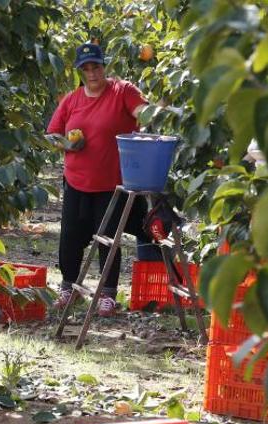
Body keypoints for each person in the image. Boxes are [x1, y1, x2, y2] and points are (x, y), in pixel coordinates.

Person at [45, 42, 154, 317]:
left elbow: (144, 113)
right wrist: (67, 146)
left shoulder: (122, 91)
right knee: (70, 236)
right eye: (86, 68)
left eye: (96, 66)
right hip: (77, 180)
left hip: (112, 183)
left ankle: (107, 295)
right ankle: (68, 288)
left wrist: (155, 113)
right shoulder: (72, 100)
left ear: (104, 66)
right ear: (80, 71)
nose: (92, 72)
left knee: (107, 238)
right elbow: (52, 134)